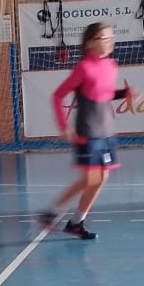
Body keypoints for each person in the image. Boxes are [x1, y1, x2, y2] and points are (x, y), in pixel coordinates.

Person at [40, 23, 130, 240]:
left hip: (106, 130)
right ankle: (53, 213)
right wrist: (64, 126)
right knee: (91, 178)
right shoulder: (83, 68)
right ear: (90, 43)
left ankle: (76, 222)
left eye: (111, 37)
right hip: (88, 131)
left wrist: (124, 93)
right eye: (104, 38)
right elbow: (57, 95)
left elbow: (104, 93)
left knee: (101, 177)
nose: (110, 41)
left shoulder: (111, 65)